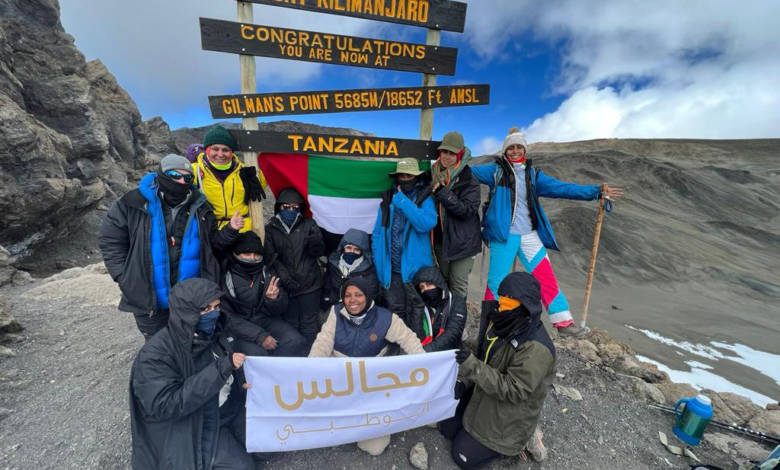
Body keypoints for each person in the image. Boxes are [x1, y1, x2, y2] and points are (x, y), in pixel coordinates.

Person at [471, 127, 623, 337]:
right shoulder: (494, 172)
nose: (515, 151)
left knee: (546, 278)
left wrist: (595, 192)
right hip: (503, 237)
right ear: (505, 151)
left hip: (529, 235)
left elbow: (563, 189)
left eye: (519, 147)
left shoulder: (533, 176)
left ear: (524, 149)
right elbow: (466, 171)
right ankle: (489, 321)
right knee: (496, 281)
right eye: (511, 148)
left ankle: (563, 323)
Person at [100, 154, 242, 339]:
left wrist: (230, 229)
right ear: (161, 174)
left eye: (187, 178)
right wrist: (124, 276)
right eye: (175, 175)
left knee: (191, 343)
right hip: (149, 298)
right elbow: (111, 241)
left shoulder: (202, 208)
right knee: (158, 347)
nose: (181, 181)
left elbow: (212, 244)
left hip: (189, 298)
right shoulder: (132, 203)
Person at [129, 278, 254, 470]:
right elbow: (165, 406)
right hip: (196, 420)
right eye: (205, 309)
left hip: (227, 407)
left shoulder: (215, 330)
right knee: (242, 467)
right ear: (185, 313)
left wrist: (240, 382)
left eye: (217, 306)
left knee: (266, 447)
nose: (213, 313)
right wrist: (220, 370)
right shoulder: (155, 355)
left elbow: (229, 366)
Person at [440, 272, 555, 469]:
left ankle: (519, 442)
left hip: (507, 414)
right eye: (503, 296)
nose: (503, 303)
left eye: (511, 299)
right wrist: (465, 378)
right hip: (485, 394)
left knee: (461, 456)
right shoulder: (500, 319)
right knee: (446, 429)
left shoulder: (536, 348)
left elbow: (514, 390)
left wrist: (470, 366)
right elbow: (482, 353)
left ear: (527, 305)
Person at [309, 277, 424, 456]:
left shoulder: (386, 318)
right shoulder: (336, 312)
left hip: (369, 382)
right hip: (339, 376)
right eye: (347, 295)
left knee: (374, 447)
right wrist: (308, 369)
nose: (352, 300)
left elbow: (409, 340)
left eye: (358, 295)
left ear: (368, 296)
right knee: (321, 426)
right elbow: (323, 343)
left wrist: (425, 364)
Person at [221, 231, 309, 357]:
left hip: (265, 320)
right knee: (258, 354)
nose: (252, 258)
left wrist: (274, 299)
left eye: (256, 254)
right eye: (246, 253)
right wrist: (260, 336)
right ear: (236, 254)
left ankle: (279, 373)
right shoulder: (225, 275)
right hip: (238, 327)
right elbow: (227, 317)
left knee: (296, 341)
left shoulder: (268, 271)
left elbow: (281, 308)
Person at [372, 158, 437, 324]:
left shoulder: (424, 197)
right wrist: (379, 262)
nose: (406, 179)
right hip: (392, 270)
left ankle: (417, 347)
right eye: (402, 176)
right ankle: (398, 348)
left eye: (409, 176)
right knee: (395, 312)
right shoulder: (387, 199)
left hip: (417, 270)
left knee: (418, 311)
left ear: (416, 176)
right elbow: (378, 233)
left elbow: (427, 223)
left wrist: (403, 201)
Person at [264, 187, 326, 344]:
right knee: (291, 324)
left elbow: (317, 252)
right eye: (286, 207)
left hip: (310, 284)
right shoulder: (271, 228)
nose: (290, 211)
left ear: (300, 208)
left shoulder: (309, 224)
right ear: (279, 207)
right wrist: (285, 278)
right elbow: (271, 257)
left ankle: (311, 360)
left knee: (309, 325)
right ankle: (293, 360)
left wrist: (316, 241)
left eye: (294, 207)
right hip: (286, 285)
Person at [430, 131, 482, 299]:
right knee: (443, 281)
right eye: (444, 151)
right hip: (440, 240)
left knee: (458, 284)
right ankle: (443, 320)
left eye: (452, 153)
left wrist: (443, 193)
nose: (447, 156)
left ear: (459, 154)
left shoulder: (469, 179)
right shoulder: (433, 173)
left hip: (463, 242)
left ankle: (457, 323)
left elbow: (467, 211)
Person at [192, 125, 266, 232]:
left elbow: (271, 172)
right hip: (209, 231)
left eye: (225, 150)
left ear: (232, 152)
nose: (220, 154)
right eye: (215, 149)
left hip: (242, 231)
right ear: (207, 150)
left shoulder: (246, 172)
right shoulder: (194, 171)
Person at [321, 228, 379, 311]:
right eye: (348, 248)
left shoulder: (369, 268)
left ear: (362, 251)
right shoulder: (333, 263)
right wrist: (327, 300)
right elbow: (327, 284)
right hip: (335, 306)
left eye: (356, 249)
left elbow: (372, 292)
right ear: (343, 248)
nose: (352, 252)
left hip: (358, 308)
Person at [411, 266, 466, 352]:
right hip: (424, 354)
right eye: (422, 287)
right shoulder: (422, 306)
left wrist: (428, 350)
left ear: (438, 283)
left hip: (448, 355)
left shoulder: (457, 302)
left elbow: (453, 332)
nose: (425, 289)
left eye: (428, 285)